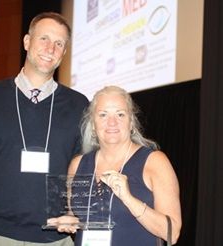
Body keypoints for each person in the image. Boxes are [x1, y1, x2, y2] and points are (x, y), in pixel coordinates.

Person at [0, 12, 89, 246]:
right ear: (26, 42)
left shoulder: (79, 105)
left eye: (59, 43)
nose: (50, 48)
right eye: (44, 38)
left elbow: (84, 173)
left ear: (64, 53)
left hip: (54, 240)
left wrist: (77, 213)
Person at [47, 86, 182, 245]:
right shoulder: (77, 165)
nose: (112, 122)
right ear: (93, 124)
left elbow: (172, 233)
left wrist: (128, 198)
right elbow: (73, 213)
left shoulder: (154, 162)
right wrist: (68, 221)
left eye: (120, 114)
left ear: (131, 122)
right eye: (103, 115)